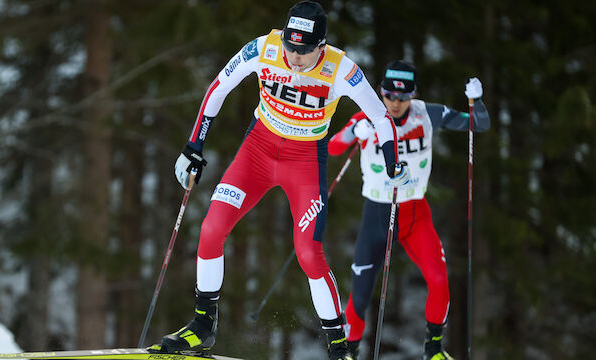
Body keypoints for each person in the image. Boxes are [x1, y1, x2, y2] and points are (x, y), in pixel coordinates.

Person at [148, 2, 410, 360]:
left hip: (304, 162)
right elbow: (217, 88)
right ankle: (202, 326)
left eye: (303, 52)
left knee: (308, 253)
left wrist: (393, 159)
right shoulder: (264, 48)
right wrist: (194, 145)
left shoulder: (340, 68)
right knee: (211, 229)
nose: (294, 57)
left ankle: (339, 347)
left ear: (321, 47)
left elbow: (380, 117)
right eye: (290, 46)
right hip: (257, 151)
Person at [328, 60, 490, 360]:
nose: (396, 103)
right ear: (381, 92)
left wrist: (476, 101)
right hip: (376, 214)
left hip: (415, 213)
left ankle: (433, 350)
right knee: (360, 295)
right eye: (389, 95)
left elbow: (477, 123)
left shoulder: (427, 114)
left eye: (404, 97)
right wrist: (355, 132)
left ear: (413, 95)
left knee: (440, 281)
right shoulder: (368, 114)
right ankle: (348, 352)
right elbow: (333, 147)